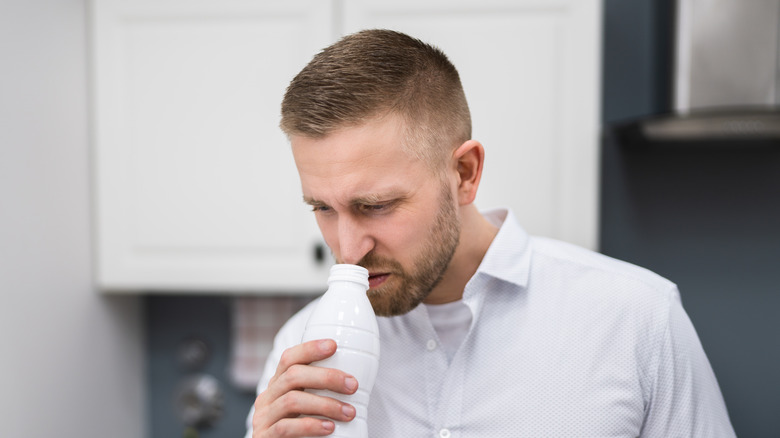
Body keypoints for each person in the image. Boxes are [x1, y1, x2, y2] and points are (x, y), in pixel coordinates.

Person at [246, 29, 735, 437]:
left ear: (464, 173)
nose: (348, 250)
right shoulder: (302, 351)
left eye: (376, 206)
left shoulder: (636, 320)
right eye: (322, 208)